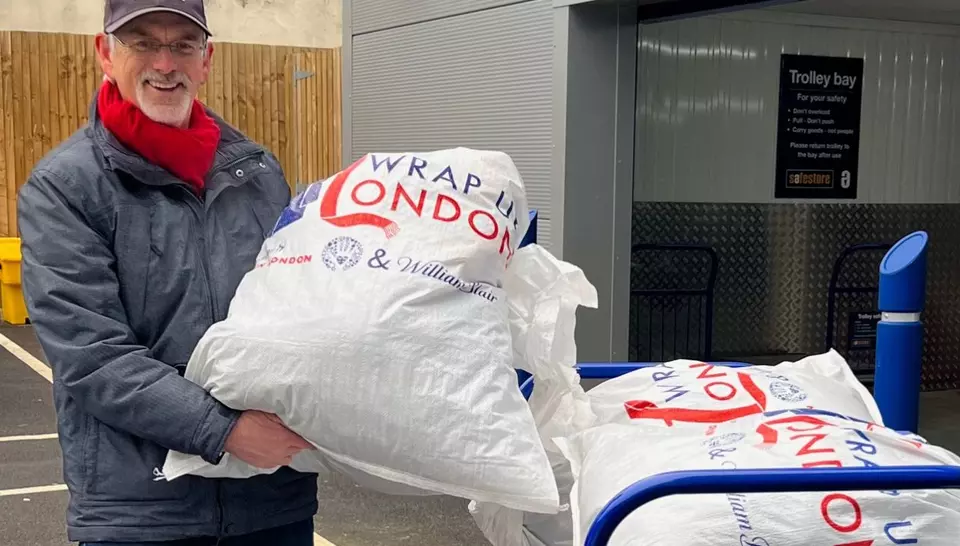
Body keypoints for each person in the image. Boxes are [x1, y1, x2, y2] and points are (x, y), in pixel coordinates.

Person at [17, 1, 319, 544]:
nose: (165, 62)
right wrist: (224, 430)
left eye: (183, 44)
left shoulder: (257, 172)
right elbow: (92, 355)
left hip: (271, 502)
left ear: (207, 60)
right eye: (142, 42)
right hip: (142, 516)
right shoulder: (65, 187)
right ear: (105, 54)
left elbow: (301, 306)